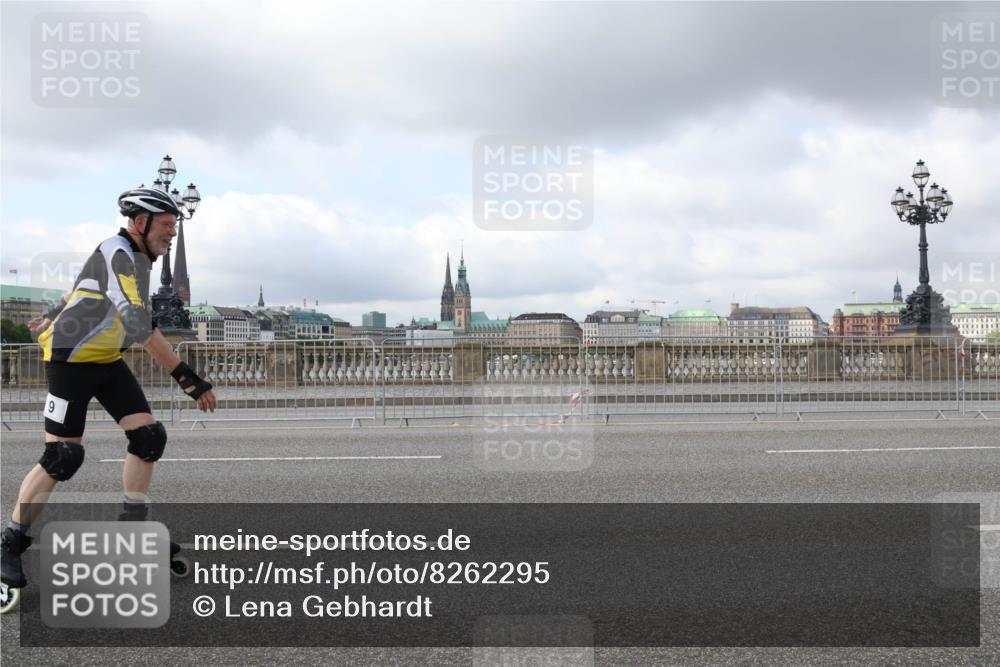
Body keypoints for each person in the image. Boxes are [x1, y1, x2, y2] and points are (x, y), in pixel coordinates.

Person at [0, 188, 218, 611]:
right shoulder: (119, 252)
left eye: (176, 225)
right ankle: (8, 542)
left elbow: (81, 283)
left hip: (105, 357)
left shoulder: (132, 258)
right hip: (72, 358)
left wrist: (52, 309)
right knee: (62, 457)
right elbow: (139, 325)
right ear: (140, 223)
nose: (173, 233)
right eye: (167, 225)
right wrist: (188, 378)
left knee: (148, 437)